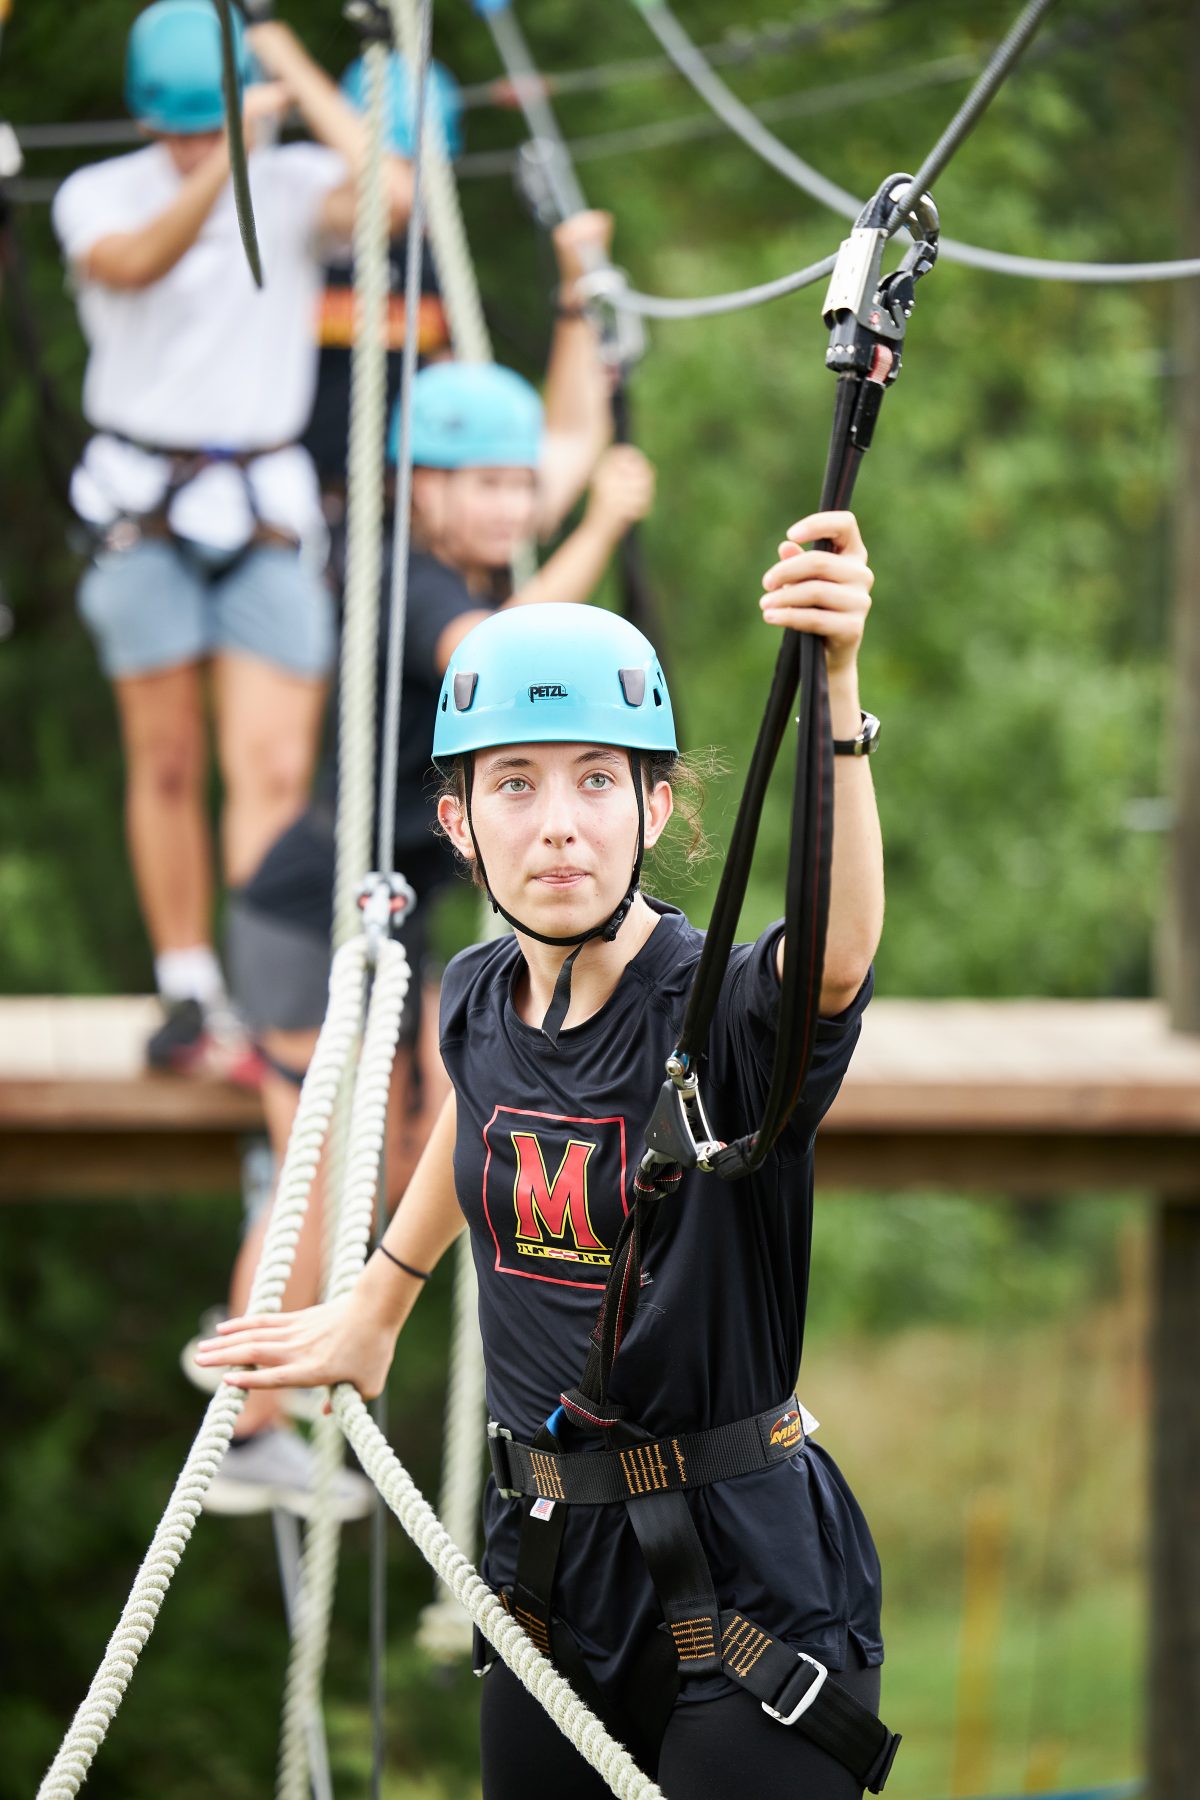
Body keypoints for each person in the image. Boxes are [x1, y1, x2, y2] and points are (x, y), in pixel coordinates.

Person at [196, 509, 896, 1799]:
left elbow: (839, 953)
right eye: (514, 783)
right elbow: (479, 1112)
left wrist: (838, 690)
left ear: (655, 805)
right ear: (459, 824)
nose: (558, 823)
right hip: (554, 1582)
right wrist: (378, 1302)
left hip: (746, 1587)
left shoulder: (721, 1017)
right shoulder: (474, 998)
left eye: (594, 778)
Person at [190, 268, 656, 1516]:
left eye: (520, 489)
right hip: (309, 909)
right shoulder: (413, 583)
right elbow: (519, 660)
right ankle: (248, 1418)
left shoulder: (474, 553)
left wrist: (571, 308)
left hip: (383, 907)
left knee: (402, 1151)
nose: (513, 507)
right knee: (322, 1156)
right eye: (488, 486)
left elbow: (567, 442)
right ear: (422, 487)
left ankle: (282, 1328)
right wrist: (601, 522)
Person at [51, 2, 411, 1079]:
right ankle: (186, 983)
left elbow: (397, 197)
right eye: (179, 128)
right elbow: (135, 264)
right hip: (139, 500)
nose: (193, 145)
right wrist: (234, 160)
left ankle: (259, 994)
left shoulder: (296, 182)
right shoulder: (98, 193)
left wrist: (285, 61)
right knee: (164, 760)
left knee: (268, 766)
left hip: (263, 500)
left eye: (207, 126)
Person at [303, 48, 462, 511]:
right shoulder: (303, 247)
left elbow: (444, 374)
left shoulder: (434, 267)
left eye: (416, 170)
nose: (406, 189)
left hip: (393, 502)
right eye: (394, 167)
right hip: (301, 490)